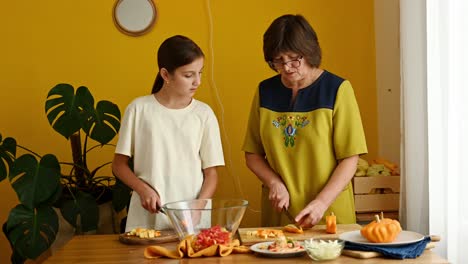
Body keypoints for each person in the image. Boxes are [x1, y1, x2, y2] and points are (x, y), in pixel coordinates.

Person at [242, 14, 367, 228]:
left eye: (293, 59)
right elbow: (252, 154)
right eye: (278, 61)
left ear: (309, 52)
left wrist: (321, 202)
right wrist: (274, 183)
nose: (287, 67)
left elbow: (349, 159)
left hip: (329, 213)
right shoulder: (265, 91)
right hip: (281, 214)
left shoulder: (337, 89)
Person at [112, 35, 225, 231]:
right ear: (165, 75)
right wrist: (142, 189)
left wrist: (198, 208)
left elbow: (211, 174)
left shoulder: (204, 114)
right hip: (147, 217)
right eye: (188, 75)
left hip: (192, 219)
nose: (197, 82)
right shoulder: (139, 109)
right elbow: (119, 165)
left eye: (200, 73)